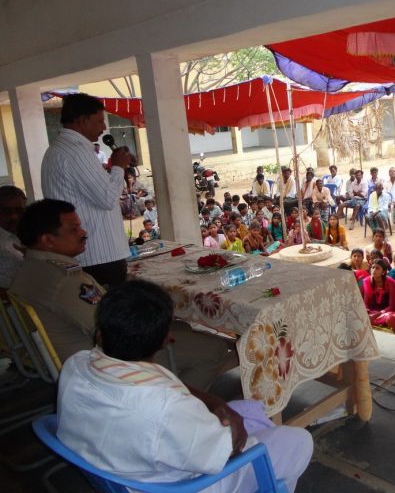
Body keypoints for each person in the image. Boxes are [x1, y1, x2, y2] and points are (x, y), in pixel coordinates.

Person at [56, 279, 312, 492]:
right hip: (183, 485)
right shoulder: (165, 408)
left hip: (120, 468)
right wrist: (240, 437)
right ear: (166, 341)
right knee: (298, 441)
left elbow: (171, 397)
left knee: (247, 409)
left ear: (101, 331)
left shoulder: (75, 365)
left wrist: (215, 402)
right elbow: (229, 450)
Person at [10, 199, 233, 389]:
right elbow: (117, 330)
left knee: (182, 327)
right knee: (215, 348)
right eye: (73, 229)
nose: (83, 233)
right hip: (105, 363)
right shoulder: (63, 280)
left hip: (71, 354)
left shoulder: (29, 268)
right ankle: (169, 403)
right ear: (47, 240)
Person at [41, 93, 134, 287]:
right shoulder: (77, 151)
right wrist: (118, 167)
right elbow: (108, 199)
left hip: (86, 253)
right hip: (98, 255)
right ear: (83, 120)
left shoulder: (58, 149)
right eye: (99, 121)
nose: (103, 128)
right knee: (109, 313)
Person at [0, 185, 26, 292]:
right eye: (6, 211)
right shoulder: (3, 246)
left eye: (19, 211)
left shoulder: (29, 233)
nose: (14, 216)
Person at [362, 259, 395, 327]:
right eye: (373, 267)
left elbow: (393, 306)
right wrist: (366, 312)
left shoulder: (391, 282)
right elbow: (366, 302)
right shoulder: (366, 281)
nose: (374, 270)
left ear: (383, 272)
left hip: (386, 312)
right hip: (372, 311)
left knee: (390, 318)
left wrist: (377, 314)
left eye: (377, 268)